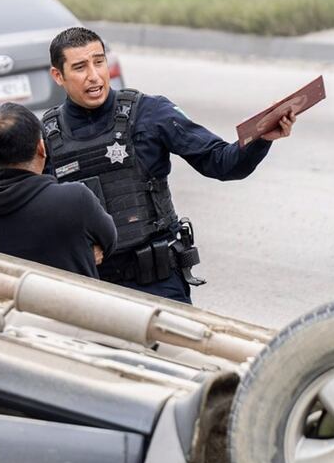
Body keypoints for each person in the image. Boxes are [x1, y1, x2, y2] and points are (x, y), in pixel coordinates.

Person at [41, 26, 295, 302]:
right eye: (80, 67)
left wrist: (260, 138)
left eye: (99, 62)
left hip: (158, 282)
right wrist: (72, 247)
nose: (94, 75)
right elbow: (33, 216)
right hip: (90, 289)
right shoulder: (46, 137)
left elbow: (222, 163)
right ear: (58, 75)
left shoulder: (150, 113)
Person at [0, 103, 115, 278]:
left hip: (7, 296)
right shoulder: (75, 198)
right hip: (72, 296)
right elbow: (109, 241)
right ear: (41, 148)